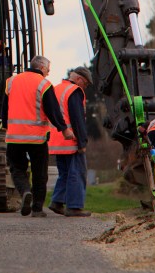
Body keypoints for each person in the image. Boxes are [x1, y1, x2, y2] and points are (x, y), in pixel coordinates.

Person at [1, 55, 73, 217]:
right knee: (40, 172)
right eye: (48, 69)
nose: (49, 72)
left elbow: (4, 108)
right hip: (37, 138)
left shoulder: (11, 82)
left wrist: (6, 126)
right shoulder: (44, 84)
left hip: (14, 137)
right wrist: (64, 129)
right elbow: (52, 110)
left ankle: (26, 191)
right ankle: (37, 208)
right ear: (41, 68)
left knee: (17, 169)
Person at [48, 66, 93, 217]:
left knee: (65, 173)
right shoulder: (74, 91)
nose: (84, 88)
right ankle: (74, 207)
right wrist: (82, 143)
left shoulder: (56, 89)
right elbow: (77, 119)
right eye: (85, 84)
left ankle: (57, 202)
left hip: (56, 140)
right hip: (71, 140)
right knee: (77, 173)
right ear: (79, 79)